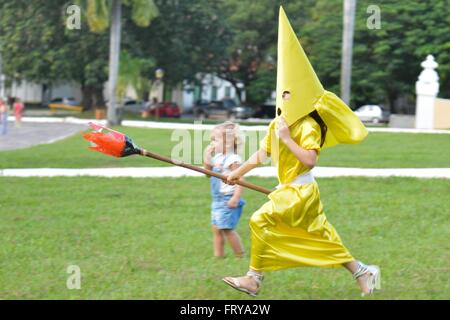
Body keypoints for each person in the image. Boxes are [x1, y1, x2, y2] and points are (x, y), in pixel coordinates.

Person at [221, 7, 380, 297]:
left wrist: (287, 138)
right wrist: (236, 173)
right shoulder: (277, 123)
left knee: (259, 220)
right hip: (290, 190)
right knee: (322, 236)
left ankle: (254, 278)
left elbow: (308, 160)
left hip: (301, 191)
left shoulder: (308, 126)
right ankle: (363, 271)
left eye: (288, 94)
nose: (283, 98)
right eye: (282, 93)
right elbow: (262, 154)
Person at [204, 122, 245, 258]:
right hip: (217, 199)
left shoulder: (233, 159)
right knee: (216, 229)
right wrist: (207, 158)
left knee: (227, 229)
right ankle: (218, 257)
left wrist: (236, 197)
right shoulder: (218, 158)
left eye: (215, 140)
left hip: (228, 198)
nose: (213, 143)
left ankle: (240, 255)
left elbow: (240, 180)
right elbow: (208, 174)